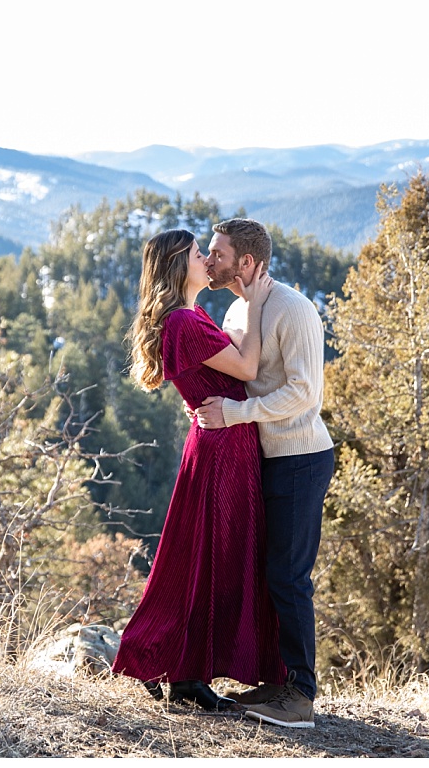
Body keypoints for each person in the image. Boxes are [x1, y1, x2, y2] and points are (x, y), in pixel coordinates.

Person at [111, 228, 287, 712]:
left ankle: (185, 670)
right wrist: (254, 299)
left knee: (203, 557)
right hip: (223, 448)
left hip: (218, 442)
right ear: (177, 266)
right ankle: (183, 670)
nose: (207, 259)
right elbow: (249, 369)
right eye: (197, 254)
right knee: (213, 557)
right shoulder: (184, 323)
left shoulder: (186, 317)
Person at [195, 217, 335, 729]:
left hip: (299, 458)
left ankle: (299, 696)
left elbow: (304, 394)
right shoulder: (238, 307)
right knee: (268, 574)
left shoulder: (293, 310)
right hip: (262, 460)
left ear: (247, 263)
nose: (208, 260)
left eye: (217, 254)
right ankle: (278, 681)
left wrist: (232, 415)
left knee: (290, 577)